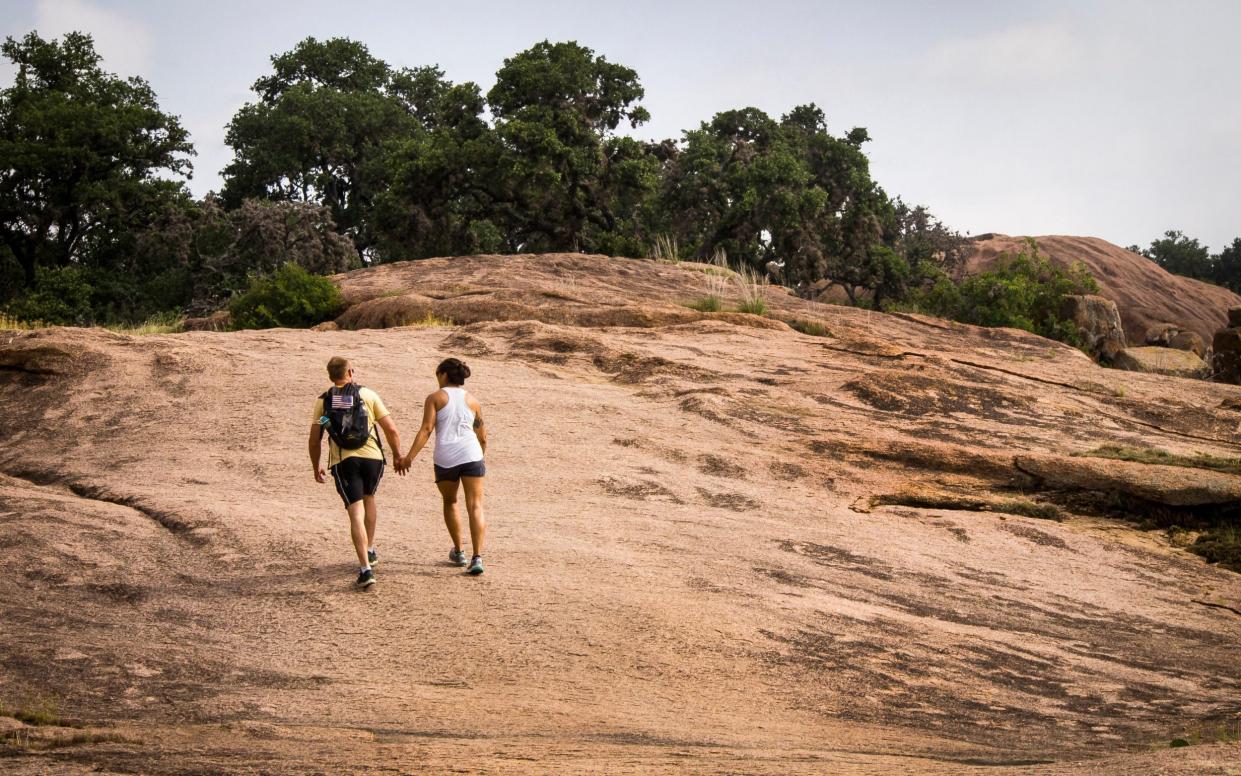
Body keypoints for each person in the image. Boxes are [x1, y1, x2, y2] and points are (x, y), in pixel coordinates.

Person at [309, 356, 404, 589]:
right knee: (369, 499)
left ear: (330, 376)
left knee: (355, 511)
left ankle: (365, 569)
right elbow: (391, 429)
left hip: (344, 460)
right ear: (350, 372)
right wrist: (398, 455)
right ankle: (369, 549)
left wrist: (315, 465)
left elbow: (314, 438)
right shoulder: (368, 395)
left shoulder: (324, 401)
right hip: (372, 458)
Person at [398, 357, 487, 575]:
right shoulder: (473, 401)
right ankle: (477, 558)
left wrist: (409, 457)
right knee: (475, 505)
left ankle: (459, 551)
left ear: (443, 375)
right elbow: (482, 436)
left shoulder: (435, 398)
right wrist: (479, 458)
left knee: (450, 501)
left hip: (446, 457)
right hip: (471, 455)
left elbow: (426, 429)